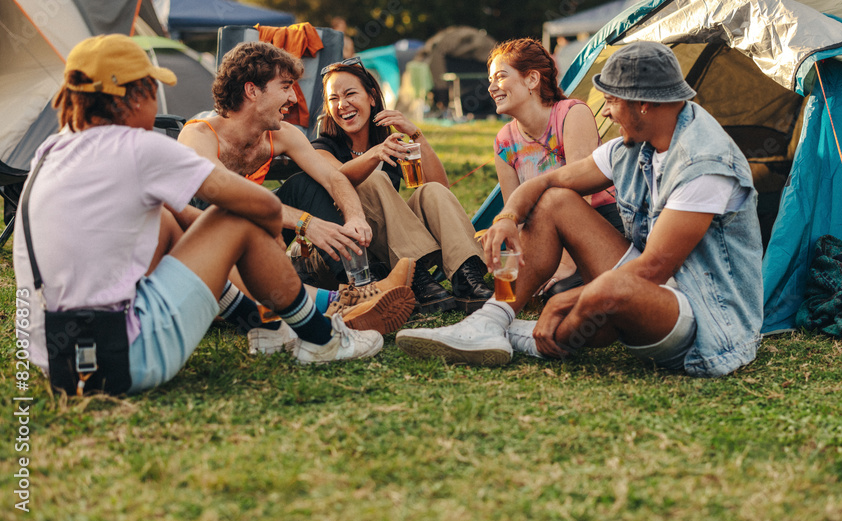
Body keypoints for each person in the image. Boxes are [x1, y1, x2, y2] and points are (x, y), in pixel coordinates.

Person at [13, 35, 382, 394]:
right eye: (151, 90)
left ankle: (264, 325)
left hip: (59, 359)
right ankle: (322, 338)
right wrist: (272, 233)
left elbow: (181, 218)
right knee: (238, 217)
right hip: (123, 359)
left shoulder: (52, 150)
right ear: (134, 94)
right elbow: (264, 207)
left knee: (165, 218)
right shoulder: (140, 148)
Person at [397, 41, 763, 377]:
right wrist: (508, 218)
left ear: (643, 104)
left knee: (610, 293)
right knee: (555, 199)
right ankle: (492, 321)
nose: (606, 111)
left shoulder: (704, 163)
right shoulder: (636, 144)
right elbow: (545, 183)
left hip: (703, 318)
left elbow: (652, 269)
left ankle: (533, 340)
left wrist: (574, 299)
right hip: (653, 287)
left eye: (612, 101)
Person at [177, 42, 415, 334]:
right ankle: (338, 302)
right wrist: (305, 223)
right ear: (252, 91)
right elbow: (223, 193)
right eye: (286, 86)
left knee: (305, 185)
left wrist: (356, 218)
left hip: (249, 231)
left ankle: (362, 288)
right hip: (198, 240)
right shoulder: (198, 134)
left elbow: (334, 178)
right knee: (230, 210)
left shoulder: (281, 134)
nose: (293, 97)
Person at [311, 57, 493, 314]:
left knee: (432, 192)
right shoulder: (322, 147)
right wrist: (374, 154)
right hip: (347, 257)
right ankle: (416, 278)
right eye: (333, 99)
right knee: (372, 179)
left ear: (372, 97)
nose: (342, 105)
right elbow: (337, 179)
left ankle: (466, 277)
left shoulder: (388, 144)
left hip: (390, 246)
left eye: (350, 93)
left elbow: (442, 187)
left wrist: (416, 134)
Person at [487, 38, 623, 297]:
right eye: (490, 80)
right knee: (517, 290)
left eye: (500, 77)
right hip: (548, 233)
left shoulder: (572, 113)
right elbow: (516, 215)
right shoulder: (504, 141)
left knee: (558, 291)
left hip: (599, 220)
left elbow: (580, 193)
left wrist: (565, 265)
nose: (492, 87)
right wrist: (517, 264)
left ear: (532, 79)